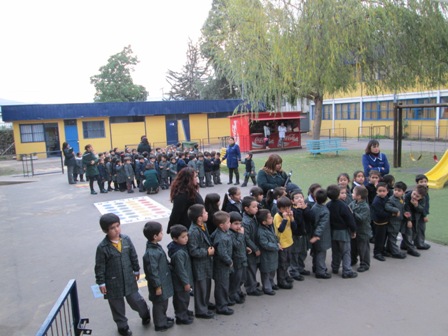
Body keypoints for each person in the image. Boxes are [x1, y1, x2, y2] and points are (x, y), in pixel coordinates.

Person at [95, 213, 151, 336]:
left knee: (136, 300)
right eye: (112, 228)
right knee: (117, 306)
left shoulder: (126, 239)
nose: (116, 230)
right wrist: (101, 282)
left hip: (128, 278)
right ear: (105, 230)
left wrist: (136, 269)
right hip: (112, 282)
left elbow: (133, 255)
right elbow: (99, 267)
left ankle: (145, 313)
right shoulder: (102, 247)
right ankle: (122, 326)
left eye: (117, 226)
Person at [142, 221, 174, 332]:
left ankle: (162, 318)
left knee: (163, 302)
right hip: (159, 284)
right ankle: (160, 324)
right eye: (161, 232)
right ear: (155, 236)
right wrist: (157, 286)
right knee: (159, 304)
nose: (162, 234)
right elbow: (152, 272)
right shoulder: (151, 253)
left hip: (162, 280)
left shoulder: (155, 247)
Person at [187, 204, 215, 319]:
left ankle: (205, 303)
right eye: (205, 212)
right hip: (199, 264)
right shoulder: (193, 231)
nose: (207, 213)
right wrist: (207, 252)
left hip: (206, 262)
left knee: (207, 284)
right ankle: (200, 310)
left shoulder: (203, 225)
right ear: (199, 217)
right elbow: (193, 251)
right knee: (200, 287)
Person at [167, 224, 194, 326]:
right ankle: (181, 317)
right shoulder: (178, 253)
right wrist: (186, 283)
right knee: (181, 300)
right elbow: (180, 270)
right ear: (175, 239)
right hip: (181, 282)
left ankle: (184, 311)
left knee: (185, 298)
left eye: (186, 236)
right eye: (183, 237)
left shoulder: (181, 247)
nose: (186, 238)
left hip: (184, 280)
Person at [210, 211, 234, 315]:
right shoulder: (221, 237)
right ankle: (221, 306)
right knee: (221, 286)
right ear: (221, 225)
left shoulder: (222, 233)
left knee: (224, 284)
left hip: (223, 265)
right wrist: (229, 261)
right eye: (228, 222)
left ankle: (225, 300)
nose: (230, 224)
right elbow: (222, 253)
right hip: (221, 265)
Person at [167, 167, 204, 233]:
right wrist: (171, 228)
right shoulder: (182, 194)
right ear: (188, 179)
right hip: (188, 227)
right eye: (195, 177)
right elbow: (176, 213)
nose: (197, 179)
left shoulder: (191, 189)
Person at [273, 196, 296, 289]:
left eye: (289, 207)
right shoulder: (278, 217)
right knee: (282, 263)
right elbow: (281, 229)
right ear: (280, 208)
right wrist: (285, 218)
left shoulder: (289, 215)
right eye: (285, 208)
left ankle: (285, 275)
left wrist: (292, 218)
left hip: (289, 242)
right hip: (282, 244)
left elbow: (294, 228)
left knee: (288, 261)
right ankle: (281, 281)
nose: (287, 210)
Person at [349, 186, 372, 272]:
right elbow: (348, 208)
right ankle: (353, 260)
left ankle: (365, 264)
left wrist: (352, 213)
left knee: (363, 249)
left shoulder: (365, 207)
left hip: (363, 232)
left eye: (353, 193)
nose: (352, 194)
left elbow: (361, 218)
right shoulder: (353, 203)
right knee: (353, 247)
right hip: (355, 230)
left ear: (359, 196)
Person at [256, 209, 279, 295]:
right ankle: (267, 287)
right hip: (266, 255)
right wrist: (276, 246)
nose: (272, 218)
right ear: (264, 222)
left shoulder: (270, 227)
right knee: (266, 272)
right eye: (269, 218)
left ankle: (271, 283)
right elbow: (265, 244)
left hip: (272, 254)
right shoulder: (261, 232)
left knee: (272, 270)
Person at [242, 196, 262, 296]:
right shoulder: (245, 221)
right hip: (251, 249)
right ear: (246, 208)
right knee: (251, 267)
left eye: (257, 206)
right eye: (254, 207)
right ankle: (251, 288)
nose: (256, 208)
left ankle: (252, 282)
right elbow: (247, 238)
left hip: (255, 245)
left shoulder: (253, 217)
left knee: (254, 267)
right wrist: (255, 248)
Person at [310, 189, 332, 279]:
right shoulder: (325, 211)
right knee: (321, 253)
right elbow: (322, 225)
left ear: (315, 198)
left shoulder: (313, 207)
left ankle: (315, 267)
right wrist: (317, 235)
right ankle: (321, 271)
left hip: (313, 233)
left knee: (315, 252)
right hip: (321, 236)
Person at [228, 211, 248, 304]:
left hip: (241, 259)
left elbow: (241, 244)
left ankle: (237, 291)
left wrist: (246, 248)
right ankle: (233, 295)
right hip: (236, 261)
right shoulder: (231, 234)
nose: (239, 226)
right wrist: (240, 235)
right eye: (236, 224)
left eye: (240, 223)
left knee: (241, 278)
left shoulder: (237, 232)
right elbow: (236, 245)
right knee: (235, 279)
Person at [384, 181, 407, 259]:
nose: (396, 192)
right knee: (392, 237)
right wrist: (396, 210)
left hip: (398, 221)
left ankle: (389, 249)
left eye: (399, 191)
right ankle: (395, 252)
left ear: (403, 192)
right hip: (393, 222)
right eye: (395, 190)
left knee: (393, 236)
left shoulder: (401, 199)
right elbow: (387, 206)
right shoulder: (392, 199)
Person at [371, 182, 391, 262]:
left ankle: (382, 250)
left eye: (384, 191)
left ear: (387, 191)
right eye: (380, 191)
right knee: (379, 238)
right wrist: (391, 213)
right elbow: (380, 213)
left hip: (385, 222)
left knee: (384, 237)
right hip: (379, 223)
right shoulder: (377, 201)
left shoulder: (385, 198)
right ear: (377, 191)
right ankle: (377, 253)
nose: (382, 193)